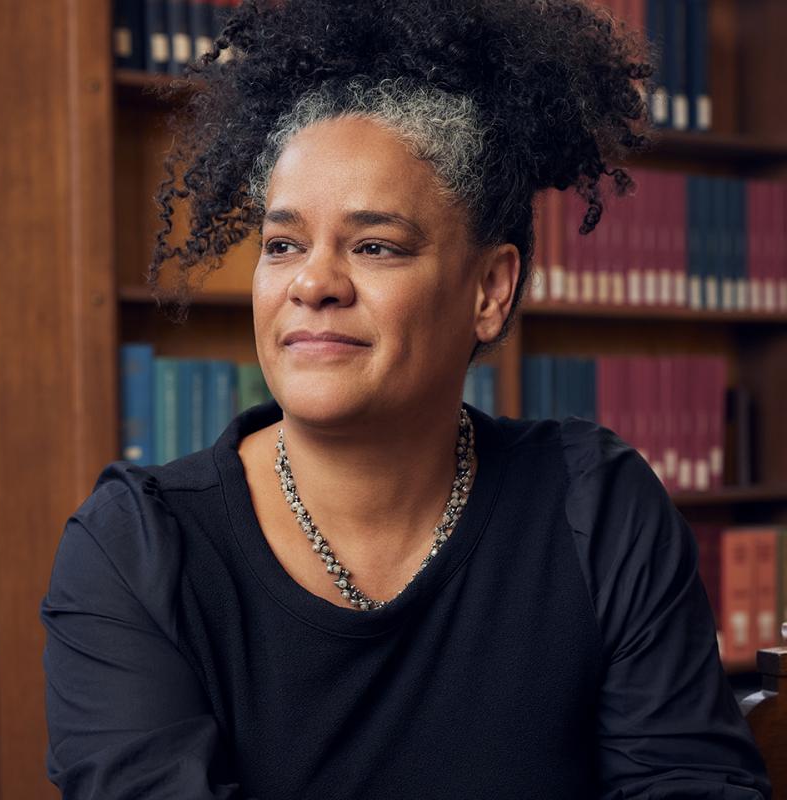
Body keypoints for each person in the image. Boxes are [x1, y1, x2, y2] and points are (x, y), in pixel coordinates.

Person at [40, 0, 772, 797]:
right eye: (282, 244)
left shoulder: (598, 511)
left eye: (375, 245)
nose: (313, 282)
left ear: (490, 291)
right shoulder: (133, 553)